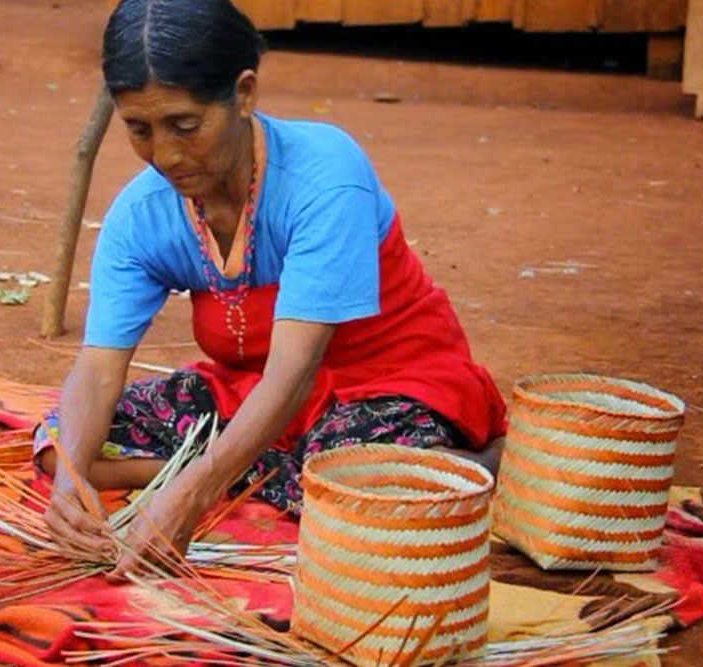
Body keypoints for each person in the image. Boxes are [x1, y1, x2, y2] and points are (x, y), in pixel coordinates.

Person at [36, 0, 507, 579]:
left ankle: (481, 465)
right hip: (255, 394)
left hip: (390, 386)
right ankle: (268, 467)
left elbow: (294, 374)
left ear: (245, 93)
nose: (165, 155)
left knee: (341, 478)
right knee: (62, 439)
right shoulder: (142, 215)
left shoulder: (325, 178)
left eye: (185, 125)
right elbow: (98, 369)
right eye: (139, 130)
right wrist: (70, 486)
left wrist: (193, 491)